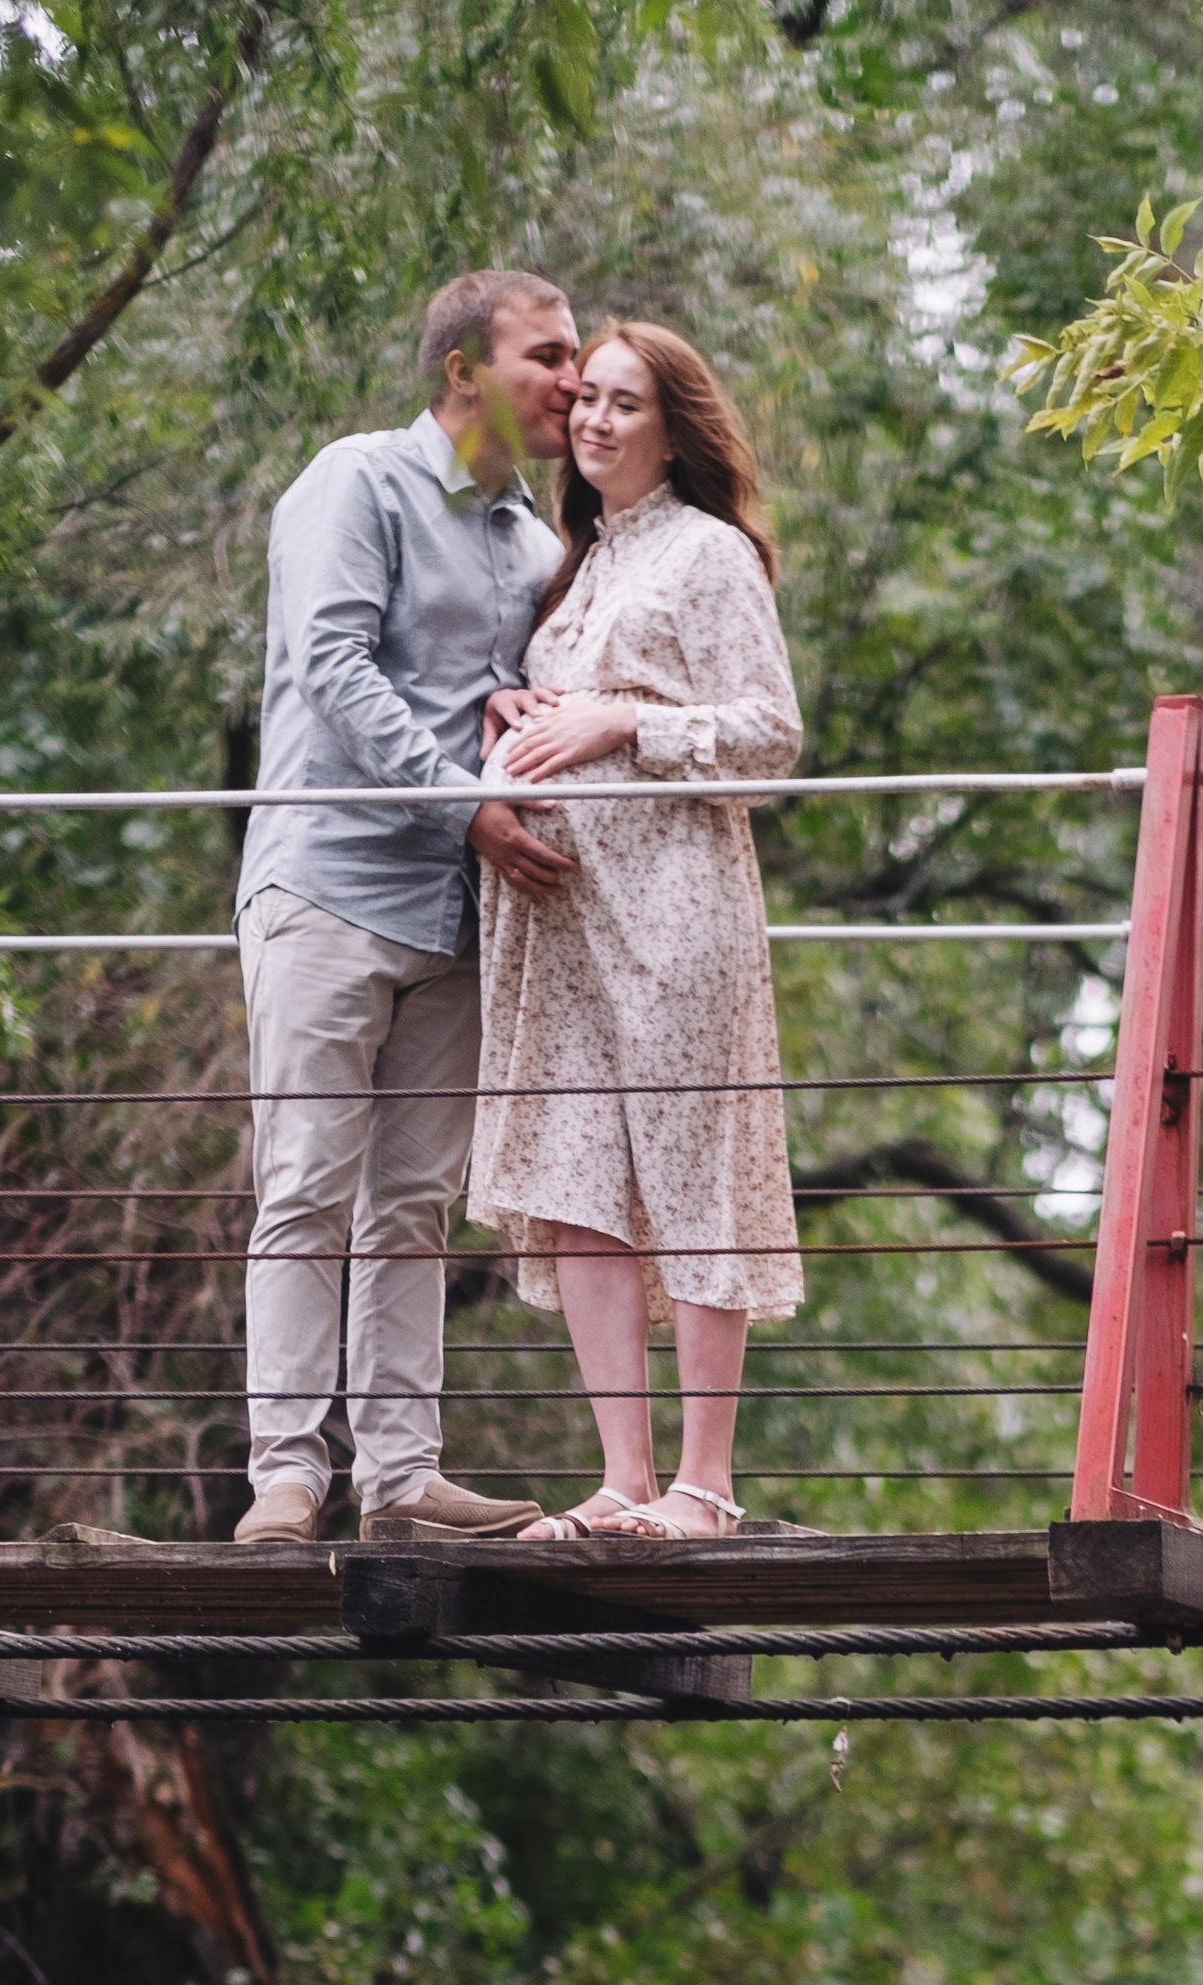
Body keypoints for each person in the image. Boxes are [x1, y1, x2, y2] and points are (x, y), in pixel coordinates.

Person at [231, 267, 587, 1545]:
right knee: (307, 1185)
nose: (573, 380)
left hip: (458, 917)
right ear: (464, 374)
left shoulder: (540, 544)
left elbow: (512, 697)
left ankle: (399, 1480)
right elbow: (330, 665)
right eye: (547, 355)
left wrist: (515, 723)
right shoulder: (356, 481)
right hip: (326, 888)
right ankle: (284, 1474)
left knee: (414, 1205)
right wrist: (463, 803)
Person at [464, 322, 803, 1540]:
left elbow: (770, 737)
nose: (597, 422)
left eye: (626, 404)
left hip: (674, 913)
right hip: (560, 927)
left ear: (674, 428)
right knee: (580, 1187)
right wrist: (516, 705)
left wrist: (620, 727)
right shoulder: (575, 566)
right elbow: (564, 702)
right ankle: (623, 1481)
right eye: (587, 402)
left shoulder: (708, 555)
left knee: (690, 1170)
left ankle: (703, 1486)